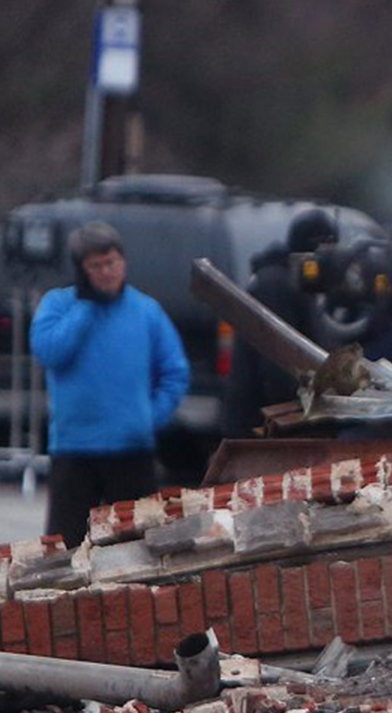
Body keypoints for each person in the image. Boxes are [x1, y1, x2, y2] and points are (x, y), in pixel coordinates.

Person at [30, 221, 187, 548]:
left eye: (112, 262)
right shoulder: (59, 305)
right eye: (96, 266)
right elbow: (49, 352)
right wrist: (85, 308)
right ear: (81, 270)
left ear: (124, 262)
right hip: (74, 450)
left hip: (131, 451)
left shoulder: (146, 311)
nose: (106, 272)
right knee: (65, 550)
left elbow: (175, 372)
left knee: (136, 548)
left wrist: (149, 416)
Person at [221, 208, 338, 437]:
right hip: (262, 424)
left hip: (283, 421)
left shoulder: (303, 288)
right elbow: (276, 365)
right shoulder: (274, 285)